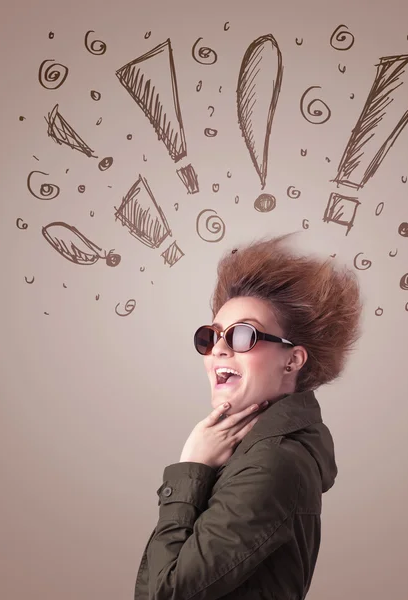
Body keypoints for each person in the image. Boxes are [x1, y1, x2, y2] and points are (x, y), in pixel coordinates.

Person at [134, 231, 363, 599]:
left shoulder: (271, 463)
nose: (219, 350)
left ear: (293, 359)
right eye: (211, 337)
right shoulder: (258, 452)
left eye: (243, 336)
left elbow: (165, 591)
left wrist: (191, 466)